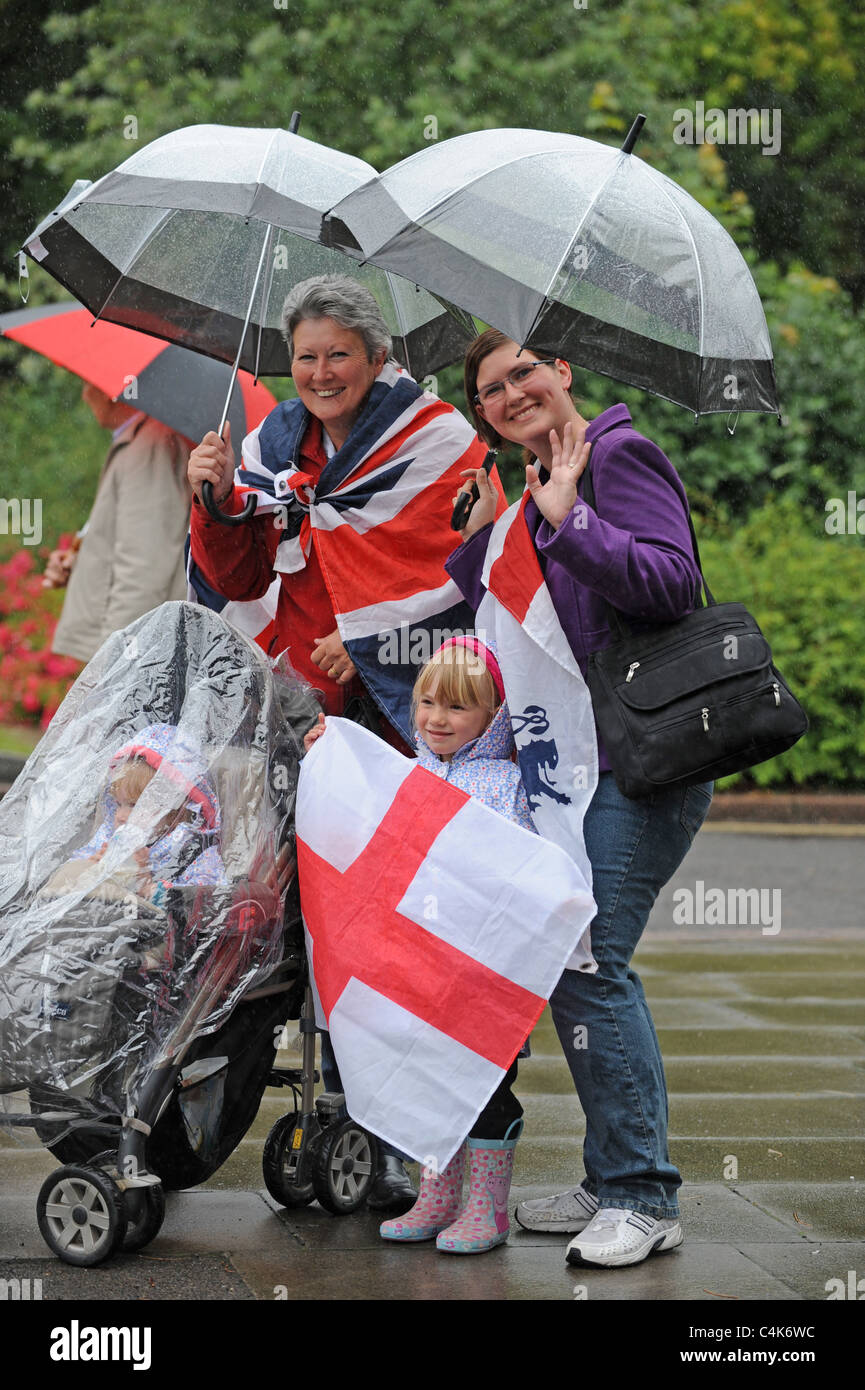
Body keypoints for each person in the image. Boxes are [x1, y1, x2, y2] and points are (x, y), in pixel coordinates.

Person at [187, 275, 492, 1212]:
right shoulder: (274, 443)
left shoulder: (439, 439)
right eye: (306, 356)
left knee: (382, 926)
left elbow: (457, 574)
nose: (319, 372)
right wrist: (215, 498)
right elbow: (240, 566)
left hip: (390, 713)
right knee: (269, 916)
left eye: (338, 355)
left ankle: (398, 1128)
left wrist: (365, 645)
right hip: (286, 703)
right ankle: (293, 1094)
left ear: (376, 355)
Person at [446, 328, 714, 1269]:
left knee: (593, 962)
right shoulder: (530, 489)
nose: (511, 390)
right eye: (490, 388)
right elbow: (515, 623)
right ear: (482, 412)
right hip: (579, 765)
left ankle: (643, 1196)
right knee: (572, 959)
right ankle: (615, 1179)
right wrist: (494, 534)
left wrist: (573, 519)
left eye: (524, 370)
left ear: (562, 371)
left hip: (640, 761)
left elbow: (672, 585)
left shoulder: (616, 455)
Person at [304, 636, 548, 1254]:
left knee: (486, 1090)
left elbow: (511, 879)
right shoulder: (410, 771)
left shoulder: (505, 784)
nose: (437, 719)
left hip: (478, 975)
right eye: (428, 703)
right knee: (429, 1082)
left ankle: (486, 1210)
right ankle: (436, 1197)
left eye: (458, 708)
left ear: (494, 716)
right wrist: (328, 754)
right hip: (420, 970)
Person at [45, 385, 192, 663]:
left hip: (132, 659)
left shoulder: (150, 445)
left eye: (88, 384)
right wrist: (80, 562)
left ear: (114, 389)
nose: (84, 394)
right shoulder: (140, 441)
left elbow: (143, 568)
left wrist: (113, 665)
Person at [70, 723, 226, 905]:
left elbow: (204, 905)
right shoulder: (107, 839)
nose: (120, 815)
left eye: (135, 805)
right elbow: (71, 880)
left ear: (175, 810)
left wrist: (145, 883)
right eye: (118, 804)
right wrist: (92, 868)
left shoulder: (193, 855)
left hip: (147, 930)